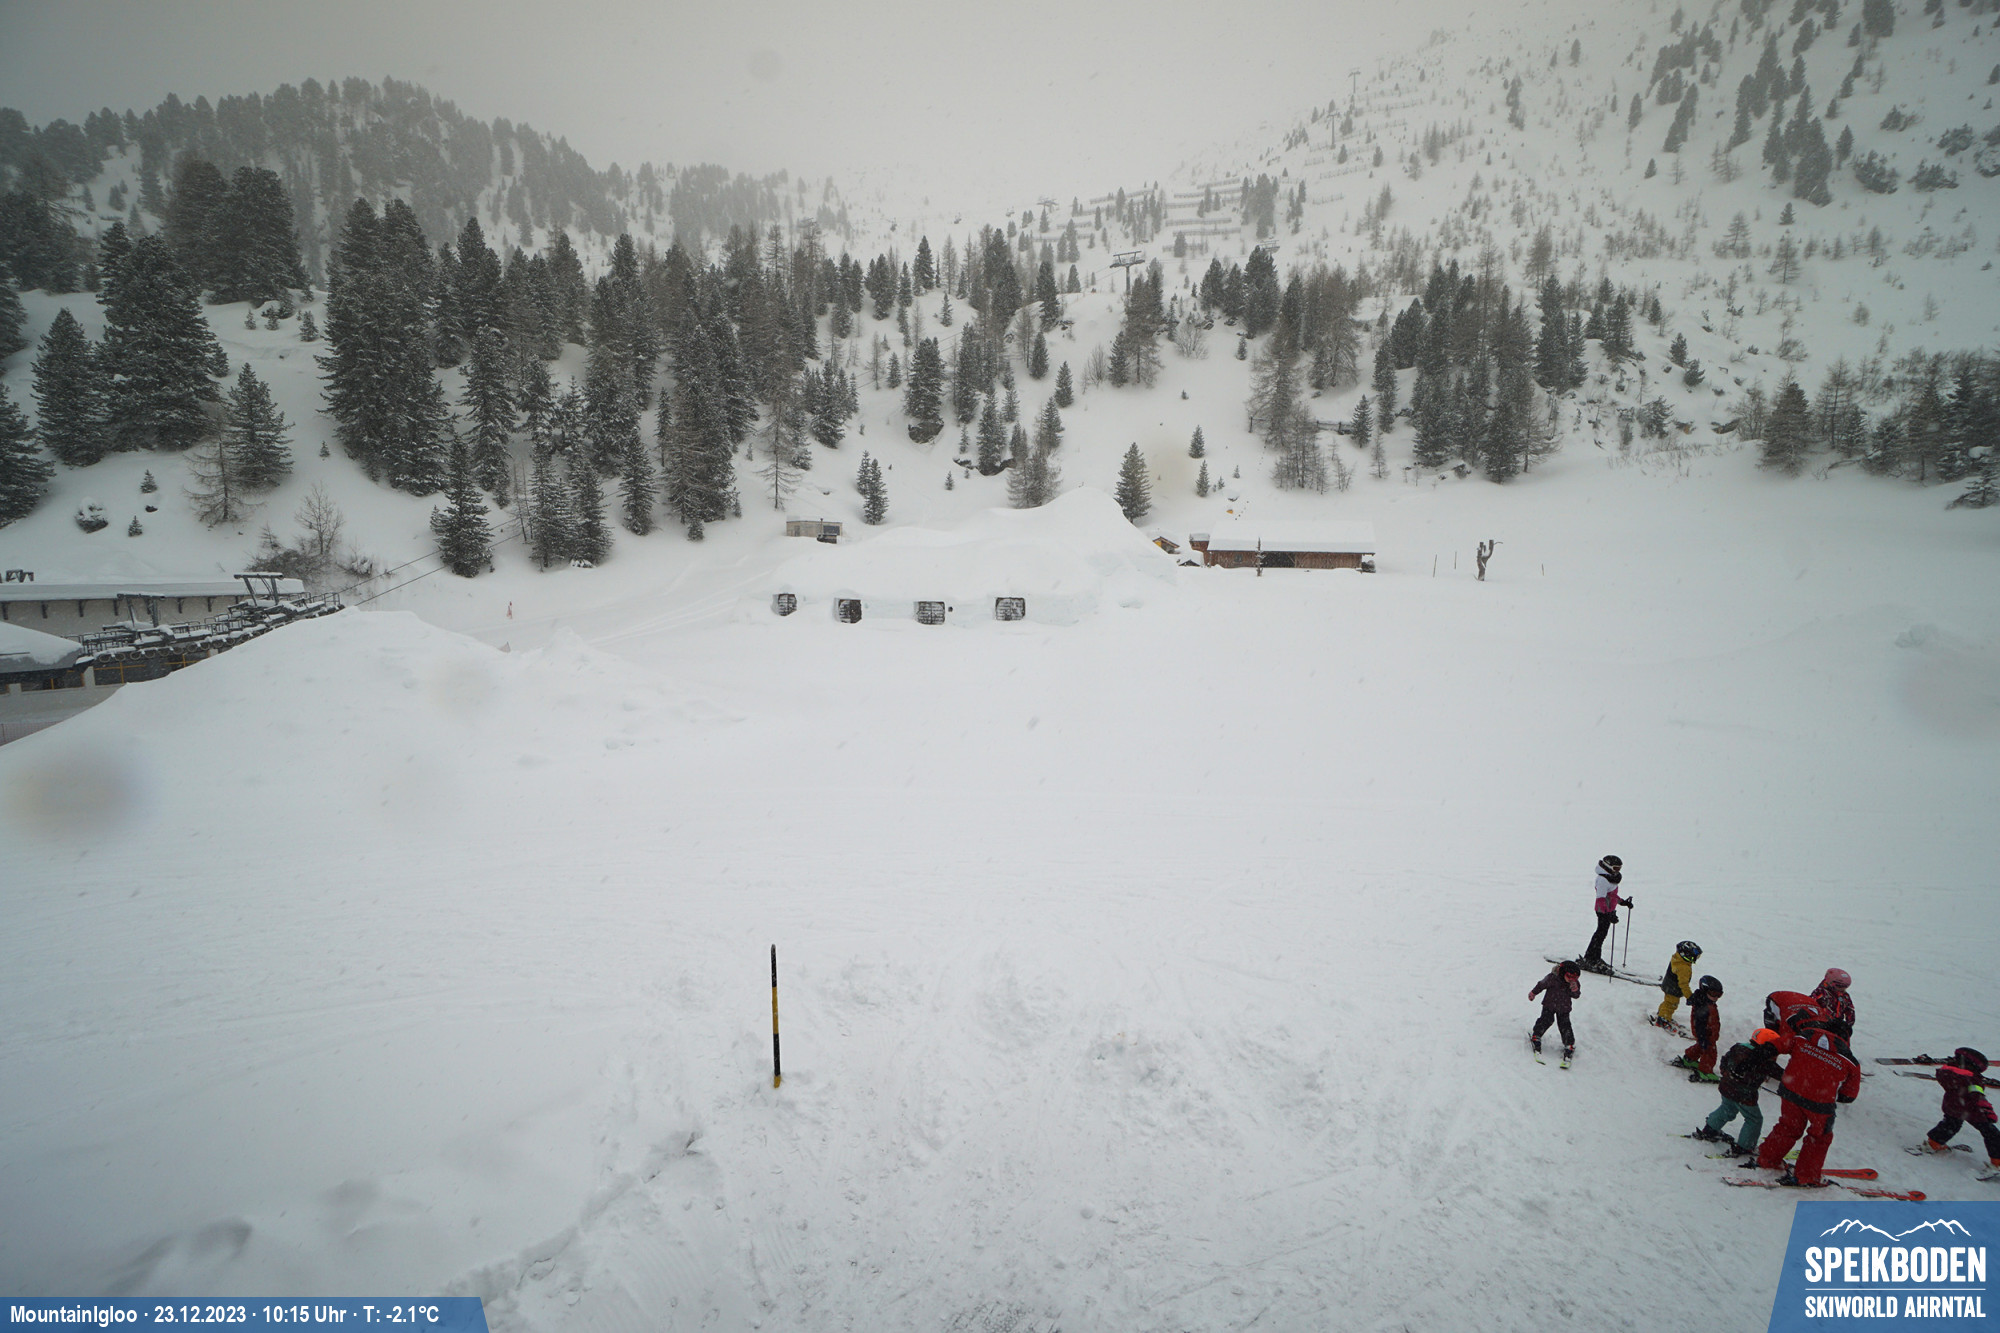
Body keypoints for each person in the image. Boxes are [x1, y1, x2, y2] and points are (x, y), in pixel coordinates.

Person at [1755, 1017, 1862, 1187]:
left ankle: (1767, 1158)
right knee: (1819, 1138)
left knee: (1788, 1126)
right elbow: (1849, 1095)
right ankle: (1806, 1176)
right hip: (1820, 1104)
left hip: (1790, 1091)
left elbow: (1775, 1045)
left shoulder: (1802, 1037)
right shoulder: (1850, 1060)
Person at [1694, 1027, 1785, 1156]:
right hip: (1744, 1095)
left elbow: (1724, 1060)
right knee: (1754, 1119)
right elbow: (1782, 1075)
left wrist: (1726, 1073)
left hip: (1726, 1086)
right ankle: (1745, 1146)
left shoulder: (1738, 1048)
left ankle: (1710, 1130)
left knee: (1727, 1108)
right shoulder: (1763, 1060)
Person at [1917, 1047, 2000, 1168]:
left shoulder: (1947, 1072)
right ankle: (1997, 1163)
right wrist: (1987, 1112)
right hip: (1971, 1109)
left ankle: (1933, 1144)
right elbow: (1978, 1097)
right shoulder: (1972, 1079)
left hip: (1953, 1105)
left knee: (1950, 1124)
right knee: (1991, 1133)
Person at [1581, 854, 1632, 972]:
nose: (1617, 871)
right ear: (1608, 866)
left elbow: (1612, 895)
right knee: (1600, 934)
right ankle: (1591, 959)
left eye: (1619, 868)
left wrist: (1622, 902)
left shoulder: (1611, 878)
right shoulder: (1603, 880)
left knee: (1601, 934)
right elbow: (1600, 899)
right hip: (1602, 910)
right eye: (1615, 868)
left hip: (1609, 910)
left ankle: (1593, 958)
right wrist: (1607, 914)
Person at [1529, 959, 1582, 1060]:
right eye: (1570, 977)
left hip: (1564, 1008)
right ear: (1563, 972)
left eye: (1575, 978)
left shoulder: (1573, 984)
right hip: (1549, 1005)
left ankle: (1569, 1043)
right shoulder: (1552, 978)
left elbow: (1576, 995)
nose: (1572, 980)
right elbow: (1541, 985)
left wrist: (1575, 990)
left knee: (1565, 1025)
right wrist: (1533, 993)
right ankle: (1537, 1034)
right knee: (1546, 1020)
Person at [1673, 976, 1724, 1076]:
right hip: (1706, 1033)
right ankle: (1705, 1071)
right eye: (1713, 993)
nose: (1716, 997)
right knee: (1710, 1052)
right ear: (1704, 990)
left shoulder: (1706, 1001)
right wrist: (1702, 1037)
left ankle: (1689, 1058)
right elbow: (1700, 1024)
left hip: (1706, 1033)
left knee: (1701, 1046)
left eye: (1719, 995)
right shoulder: (1703, 1006)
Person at [1653, 940, 1702, 1028]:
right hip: (1674, 989)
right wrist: (1689, 996)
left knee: (1667, 1002)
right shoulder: (1684, 968)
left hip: (1668, 985)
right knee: (1671, 1004)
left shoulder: (1677, 958)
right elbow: (1684, 985)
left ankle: (1662, 1013)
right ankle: (1663, 1019)